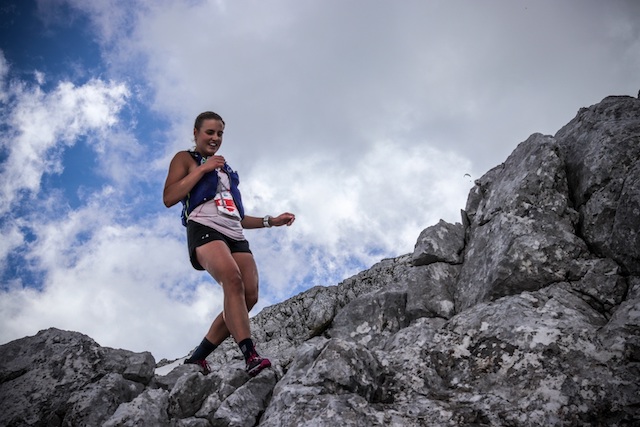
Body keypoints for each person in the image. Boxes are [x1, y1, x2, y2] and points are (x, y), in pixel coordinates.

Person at [163, 111, 295, 376]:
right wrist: (202, 168)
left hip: (234, 231)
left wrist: (272, 221)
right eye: (209, 132)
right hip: (204, 226)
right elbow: (169, 196)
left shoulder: (227, 170)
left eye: (219, 133)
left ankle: (197, 358)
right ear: (196, 133)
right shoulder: (185, 158)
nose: (215, 138)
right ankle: (250, 356)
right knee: (232, 280)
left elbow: (240, 216)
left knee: (249, 296)